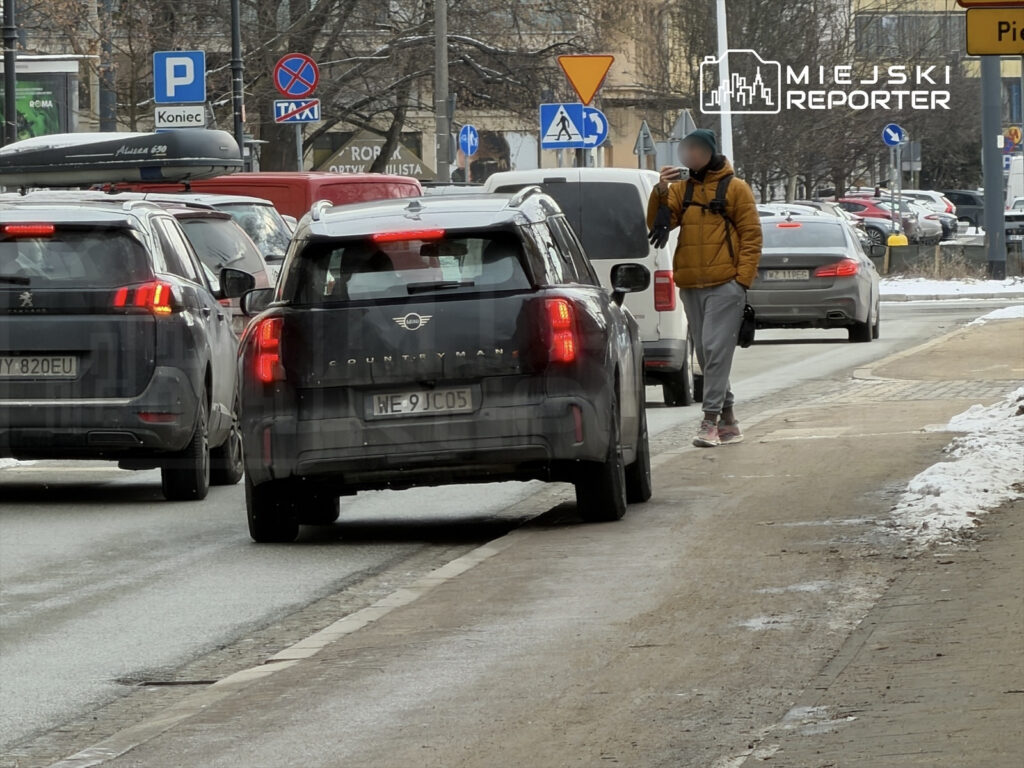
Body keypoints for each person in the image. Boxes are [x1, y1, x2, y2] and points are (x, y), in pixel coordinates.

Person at [646, 128, 762, 448]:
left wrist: (741, 281)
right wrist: (660, 190)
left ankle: (710, 420)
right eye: (687, 151)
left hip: (725, 284)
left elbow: (752, 236)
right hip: (690, 283)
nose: (692, 156)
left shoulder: (735, 188)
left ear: (710, 153)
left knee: (714, 350)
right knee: (705, 353)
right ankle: (729, 421)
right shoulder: (681, 189)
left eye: (697, 151)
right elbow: (658, 223)